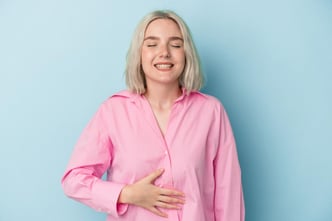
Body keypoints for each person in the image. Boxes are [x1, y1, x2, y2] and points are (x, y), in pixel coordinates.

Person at [61, 10, 245, 221]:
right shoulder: (113, 112)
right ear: (139, 54)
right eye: (152, 44)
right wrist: (127, 194)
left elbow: (228, 194)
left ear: (187, 53)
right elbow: (73, 180)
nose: (164, 52)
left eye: (175, 44)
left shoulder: (211, 112)